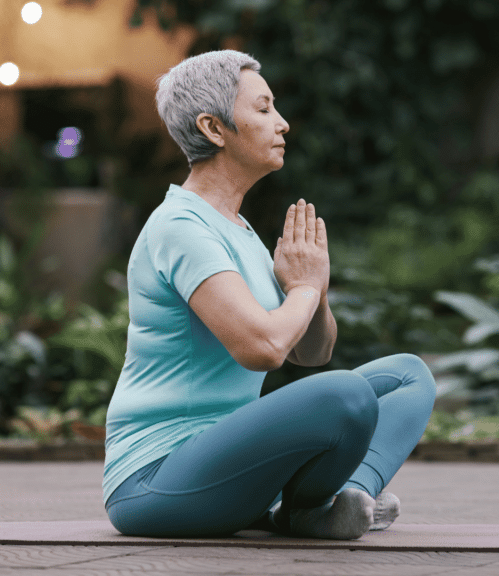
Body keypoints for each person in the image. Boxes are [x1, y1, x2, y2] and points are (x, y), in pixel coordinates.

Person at [103, 49, 436, 540]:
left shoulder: (237, 229)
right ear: (214, 129)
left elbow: (311, 352)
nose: (282, 124)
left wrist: (314, 289)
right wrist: (301, 286)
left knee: (408, 375)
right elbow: (262, 349)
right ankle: (305, 509)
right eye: (263, 109)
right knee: (345, 394)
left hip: (228, 467)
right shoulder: (180, 226)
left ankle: (339, 503)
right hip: (156, 479)